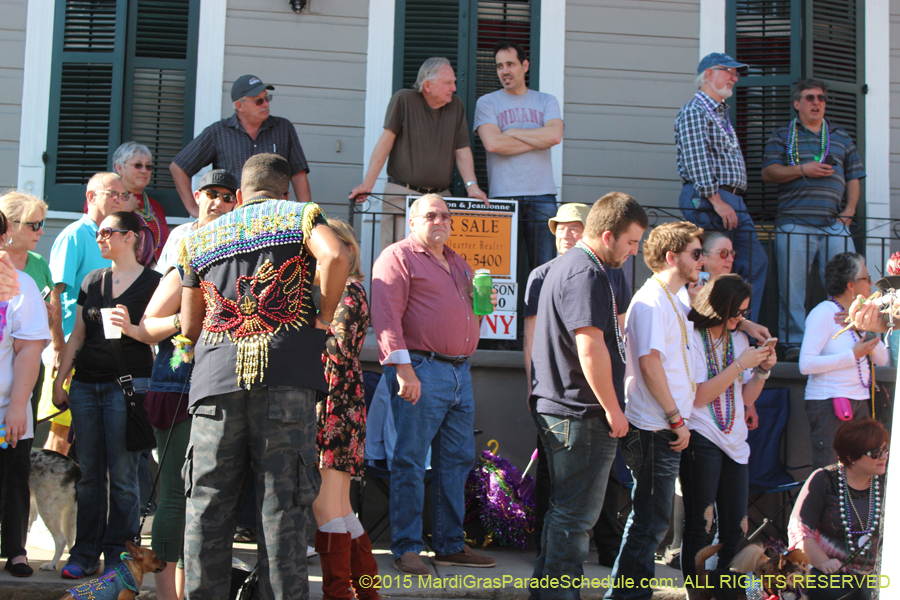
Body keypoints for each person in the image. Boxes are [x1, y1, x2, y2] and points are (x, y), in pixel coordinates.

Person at [179, 153, 349, 600]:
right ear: (285, 191)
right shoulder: (300, 216)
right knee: (282, 505)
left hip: (216, 380)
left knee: (207, 505)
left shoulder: (202, 236)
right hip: (286, 375)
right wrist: (322, 318)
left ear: (238, 196)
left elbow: (188, 327)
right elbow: (335, 255)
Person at [107, 169, 238, 600]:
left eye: (226, 196)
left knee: (207, 497)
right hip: (178, 385)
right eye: (211, 195)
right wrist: (188, 321)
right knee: (175, 494)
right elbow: (146, 328)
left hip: (224, 387)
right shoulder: (184, 252)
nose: (217, 202)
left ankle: (189, 590)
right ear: (198, 197)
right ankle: (167, 595)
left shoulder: (243, 260)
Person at [528, 192, 647, 599]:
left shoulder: (569, 266)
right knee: (574, 520)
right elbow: (589, 345)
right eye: (631, 243)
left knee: (563, 513)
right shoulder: (586, 273)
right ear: (608, 234)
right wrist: (614, 410)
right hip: (580, 411)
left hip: (562, 407)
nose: (634, 253)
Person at [371, 193, 495, 575]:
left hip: (460, 371)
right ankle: (406, 547)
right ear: (413, 222)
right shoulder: (399, 256)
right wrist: (403, 370)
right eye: (429, 215)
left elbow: (475, 313)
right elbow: (386, 315)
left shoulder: (458, 262)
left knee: (455, 461)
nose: (438, 220)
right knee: (409, 459)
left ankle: (449, 544)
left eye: (444, 215)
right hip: (421, 368)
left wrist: (480, 302)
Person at [53, 211, 160, 579]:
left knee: (124, 475)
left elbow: (161, 336)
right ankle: (83, 553)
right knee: (89, 475)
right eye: (99, 232)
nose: (99, 238)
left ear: (129, 237)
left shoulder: (153, 283)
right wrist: (60, 380)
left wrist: (131, 329)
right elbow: (78, 335)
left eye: (106, 232)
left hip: (127, 386)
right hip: (85, 384)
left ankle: (118, 554)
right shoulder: (93, 280)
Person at [606, 221, 704, 600]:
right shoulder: (650, 301)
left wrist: (743, 320)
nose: (701, 260)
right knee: (649, 521)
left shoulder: (674, 298)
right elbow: (649, 364)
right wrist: (676, 418)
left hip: (664, 424)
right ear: (671, 257)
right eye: (695, 253)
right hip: (652, 426)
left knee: (651, 519)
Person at [681, 274, 776, 586]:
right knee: (701, 524)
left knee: (736, 527)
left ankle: (723, 590)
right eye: (736, 312)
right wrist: (739, 365)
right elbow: (699, 395)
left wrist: (762, 369)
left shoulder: (739, 337)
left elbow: (745, 397)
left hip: (735, 440)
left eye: (746, 313)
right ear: (719, 307)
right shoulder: (693, 335)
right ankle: (697, 592)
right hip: (702, 436)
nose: (741, 319)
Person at [762, 79, 865, 354]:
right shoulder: (783, 135)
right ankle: (794, 343)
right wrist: (803, 169)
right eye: (809, 98)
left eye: (820, 98)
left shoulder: (840, 136)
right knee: (792, 290)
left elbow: (854, 177)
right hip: (794, 223)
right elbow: (769, 172)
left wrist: (849, 213)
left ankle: (847, 336)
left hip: (835, 223)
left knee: (849, 282)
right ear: (797, 104)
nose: (816, 102)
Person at [350, 58, 488, 252]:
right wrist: (368, 184)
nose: (454, 88)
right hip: (401, 195)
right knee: (396, 257)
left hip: (439, 198)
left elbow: (462, 149)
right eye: (448, 83)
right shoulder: (404, 99)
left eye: (454, 82)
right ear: (428, 85)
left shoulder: (456, 106)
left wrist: (472, 186)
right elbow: (386, 141)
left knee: (437, 257)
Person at [311, 219, 379, 600]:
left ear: (348, 251)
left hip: (333, 401)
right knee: (340, 509)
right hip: (345, 400)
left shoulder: (344, 293)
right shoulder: (354, 290)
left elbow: (332, 354)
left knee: (326, 508)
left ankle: (339, 594)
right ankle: (366, 594)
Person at [675, 53, 767, 323]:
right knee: (707, 266)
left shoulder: (720, 112)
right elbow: (696, 159)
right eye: (729, 71)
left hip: (731, 199)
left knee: (753, 262)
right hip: (709, 199)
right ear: (709, 75)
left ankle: (738, 327)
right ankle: (707, 326)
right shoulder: (695, 110)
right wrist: (717, 201)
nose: (735, 78)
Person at [48, 172, 127, 454]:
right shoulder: (75, 235)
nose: (120, 199)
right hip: (71, 348)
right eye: (112, 194)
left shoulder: (113, 241)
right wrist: (59, 347)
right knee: (62, 436)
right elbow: (54, 293)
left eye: (123, 194)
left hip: (102, 354)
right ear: (91, 197)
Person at [475, 40, 563, 272]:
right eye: (499, 66)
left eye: (510, 64)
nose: (505, 71)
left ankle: (540, 311)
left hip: (542, 196)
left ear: (525, 66)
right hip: (503, 196)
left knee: (545, 269)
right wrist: (537, 139)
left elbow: (554, 137)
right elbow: (493, 144)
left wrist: (512, 133)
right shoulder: (487, 102)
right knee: (502, 270)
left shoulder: (546, 101)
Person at [170, 75, 311, 216]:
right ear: (239, 106)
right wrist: (193, 208)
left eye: (267, 98)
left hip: (275, 218)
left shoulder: (283, 128)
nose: (266, 104)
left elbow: (298, 175)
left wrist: (306, 216)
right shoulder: (218, 132)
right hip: (232, 219)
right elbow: (178, 167)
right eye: (258, 101)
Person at [799, 253, 888, 469]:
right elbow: (806, 364)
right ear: (851, 285)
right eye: (866, 279)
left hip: (860, 402)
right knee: (831, 472)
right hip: (829, 404)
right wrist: (852, 356)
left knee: (862, 470)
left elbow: (883, 359)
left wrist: (863, 326)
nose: (871, 284)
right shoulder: (823, 313)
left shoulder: (861, 317)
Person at [0, 208, 51, 578]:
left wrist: (19, 405)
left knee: (13, 477)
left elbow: (29, 348)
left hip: (6, 406)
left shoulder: (23, 285)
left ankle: (15, 550)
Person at [788, 418, 887, 599]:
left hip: (881, 575)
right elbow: (800, 530)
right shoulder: (824, 479)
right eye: (875, 452)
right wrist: (823, 562)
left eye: (885, 450)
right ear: (851, 456)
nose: (883, 457)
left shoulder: (889, 482)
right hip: (832, 575)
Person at [0, 193, 63, 426]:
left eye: (42, 224)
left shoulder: (39, 263)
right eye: (34, 225)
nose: (41, 231)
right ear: (9, 225)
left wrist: (44, 318)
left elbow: (46, 323)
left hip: (27, 366)